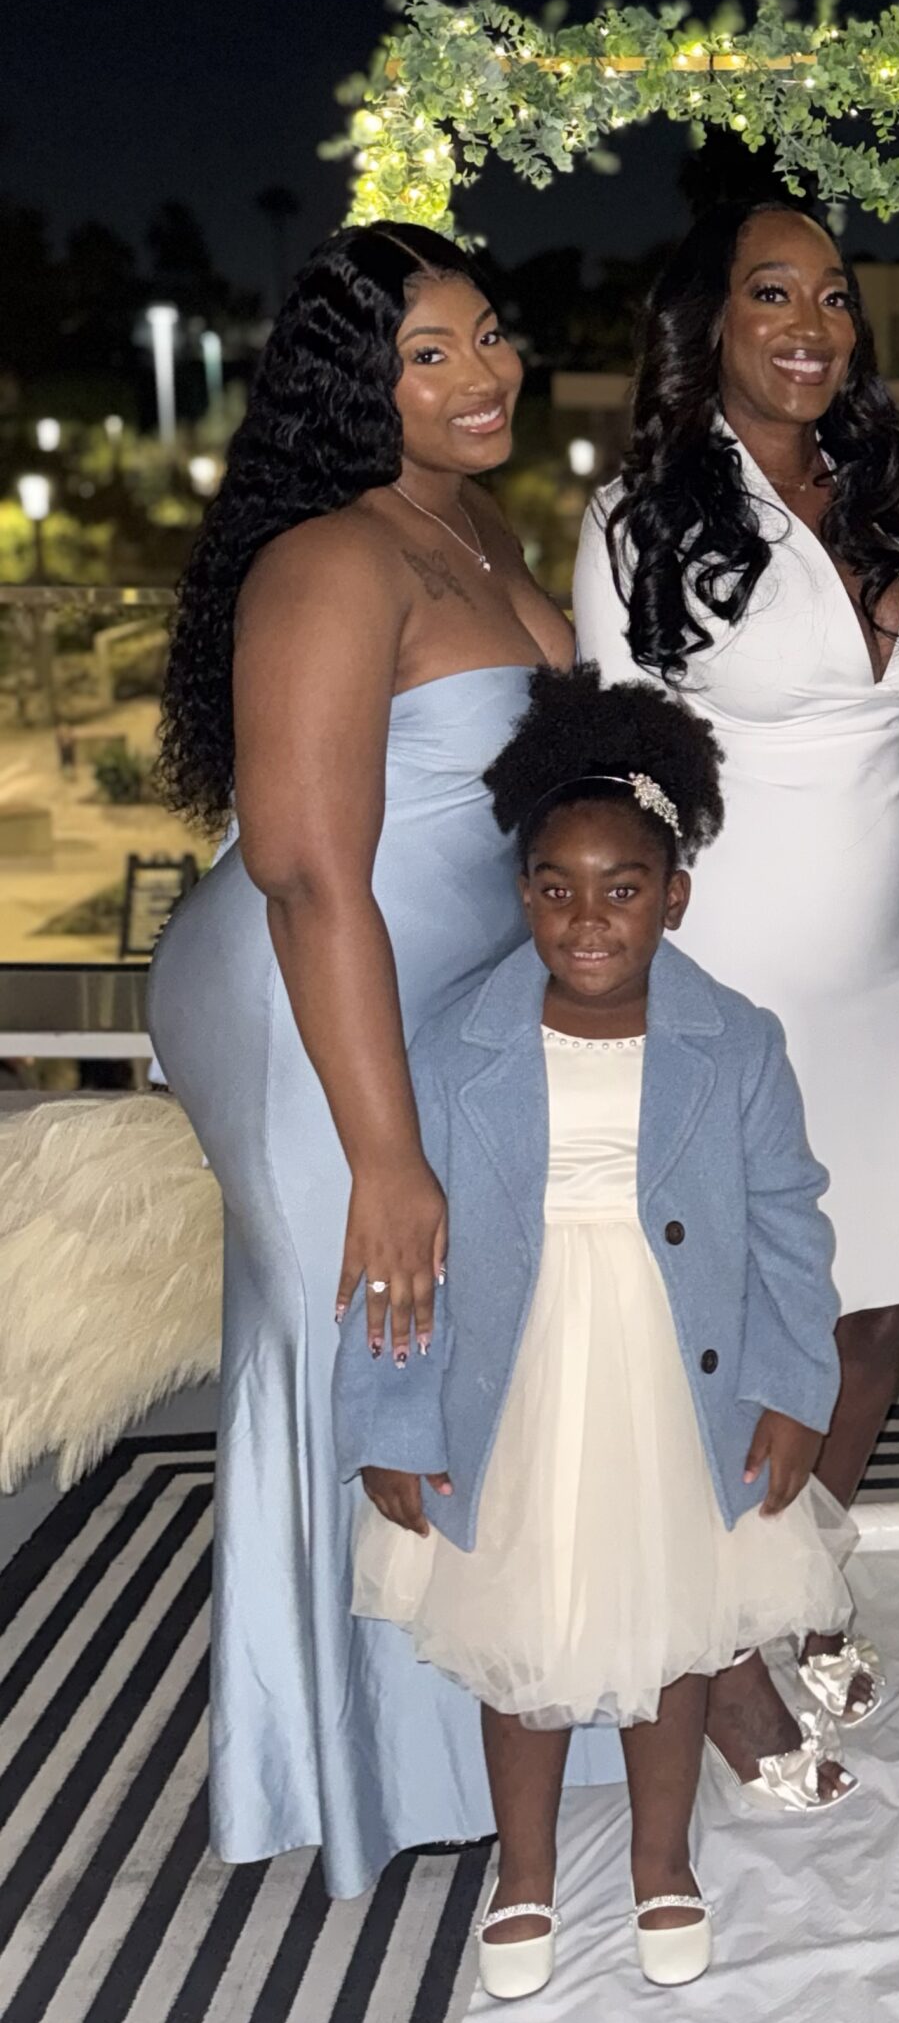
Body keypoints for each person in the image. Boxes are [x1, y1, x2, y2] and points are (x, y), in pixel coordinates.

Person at [147, 225, 586, 1899]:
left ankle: (481, 1719)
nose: (483, 375)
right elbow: (311, 876)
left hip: (439, 992)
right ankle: (349, 1764)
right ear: (356, 384)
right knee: (364, 1332)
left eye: (490, 335)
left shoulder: (473, 525)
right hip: (304, 997)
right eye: (430, 354)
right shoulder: (331, 561)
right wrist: (386, 1156)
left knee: (455, 1334)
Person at [336, 667, 848, 1998]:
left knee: (673, 1626)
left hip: (676, 1378)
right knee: (525, 1630)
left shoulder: (737, 1044)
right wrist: (391, 1414)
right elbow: (398, 1255)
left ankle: (661, 1861)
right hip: (515, 1378)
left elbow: (789, 1226)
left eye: (622, 889)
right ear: (522, 896)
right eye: (557, 889)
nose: (588, 919)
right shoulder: (454, 1048)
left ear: (674, 898)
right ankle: (526, 1873)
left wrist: (795, 1388)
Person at [573, 200, 899, 1783]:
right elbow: (612, 773)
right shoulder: (637, 520)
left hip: (890, 985)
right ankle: (721, 1652)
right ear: (711, 325)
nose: (812, 324)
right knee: (731, 1330)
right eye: (772, 293)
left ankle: (802, 1578)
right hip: (726, 992)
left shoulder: (897, 497)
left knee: (873, 1312)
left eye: (834, 296)